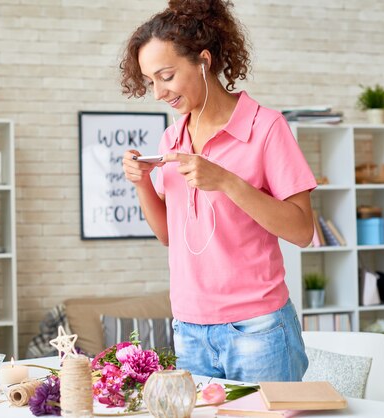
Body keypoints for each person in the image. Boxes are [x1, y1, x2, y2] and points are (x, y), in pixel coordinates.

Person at [120, 0, 317, 383]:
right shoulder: (173, 136)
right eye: (150, 81)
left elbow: (302, 231)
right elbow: (168, 236)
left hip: (258, 328)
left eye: (166, 76)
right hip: (189, 328)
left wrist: (226, 181)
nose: (158, 92)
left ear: (203, 61)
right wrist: (141, 181)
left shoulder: (266, 127)